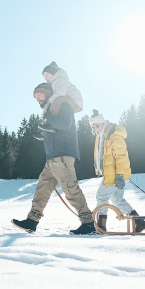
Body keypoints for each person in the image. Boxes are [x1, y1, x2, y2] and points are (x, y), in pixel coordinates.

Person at [12, 82, 95, 235]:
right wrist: (43, 134)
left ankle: (88, 223)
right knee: (42, 190)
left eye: (39, 95)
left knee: (71, 190)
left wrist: (48, 117)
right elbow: (56, 129)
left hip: (62, 155)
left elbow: (65, 124)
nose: (37, 99)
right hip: (52, 157)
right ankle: (32, 221)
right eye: (35, 97)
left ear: (48, 93)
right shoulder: (51, 110)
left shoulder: (63, 106)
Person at [89, 109, 145, 232]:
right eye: (93, 127)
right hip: (112, 174)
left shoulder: (114, 135)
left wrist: (120, 175)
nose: (96, 128)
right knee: (117, 200)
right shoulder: (103, 136)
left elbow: (122, 157)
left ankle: (100, 226)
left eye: (97, 125)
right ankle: (140, 222)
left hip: (114, 175)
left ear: (103, 123)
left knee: (101, 198)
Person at [38, 61, 83, 133]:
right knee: (54, 103)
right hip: (69, 100)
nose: (45, 78)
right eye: (44, 76)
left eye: (47, 75)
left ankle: (51, 124)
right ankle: (44, 131)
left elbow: (60, 93)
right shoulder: (54, 82)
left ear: (53, 73)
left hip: (75, 100)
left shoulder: (61, 79)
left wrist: (49, 101)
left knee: (56, 100)